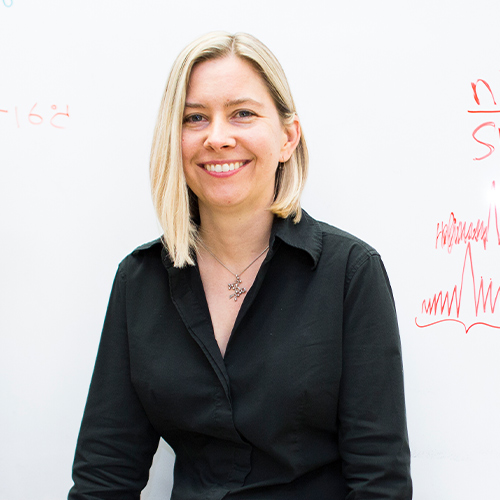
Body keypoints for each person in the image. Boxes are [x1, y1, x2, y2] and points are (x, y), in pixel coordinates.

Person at [69, 32, 412, 499]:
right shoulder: (140, 280)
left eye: (242, 113)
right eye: (194, 118)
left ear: (288, 137)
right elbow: (105, 474)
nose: (217, 137)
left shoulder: (350, 273)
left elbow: (379, 481)